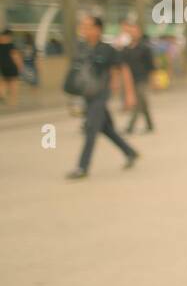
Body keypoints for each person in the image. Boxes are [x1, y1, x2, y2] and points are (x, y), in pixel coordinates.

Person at [65, 15, 139, 179]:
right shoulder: (81, 48)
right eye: (82, 26)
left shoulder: (107, 50)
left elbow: (123, 69)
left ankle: (82, 167)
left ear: (98, 29)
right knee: (105, 128)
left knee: (91, 128)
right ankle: (130, 152)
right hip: (86, 95)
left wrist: (129, 94)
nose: (84, 29)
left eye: (87, 26)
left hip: (100, 95)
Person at [120, 20, 156, 133]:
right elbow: (123, 65)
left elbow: (151, 65)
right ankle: (150, 125)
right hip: (131, 79)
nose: (133, 33)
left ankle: (130, 127)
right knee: (143, 102)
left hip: (142, 78)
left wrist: (153, 80)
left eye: (135, 31)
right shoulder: (126, 49)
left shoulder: (145, 48)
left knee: (138, 101)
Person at [0, 28, 22, 105]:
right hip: (12, 66)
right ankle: (13, 101)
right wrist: (20, 66)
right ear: (9, 36)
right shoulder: (11, 46)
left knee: (4, 82)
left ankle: (2, 95)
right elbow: (16, 57)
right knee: (13, 83)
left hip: (3, 66)